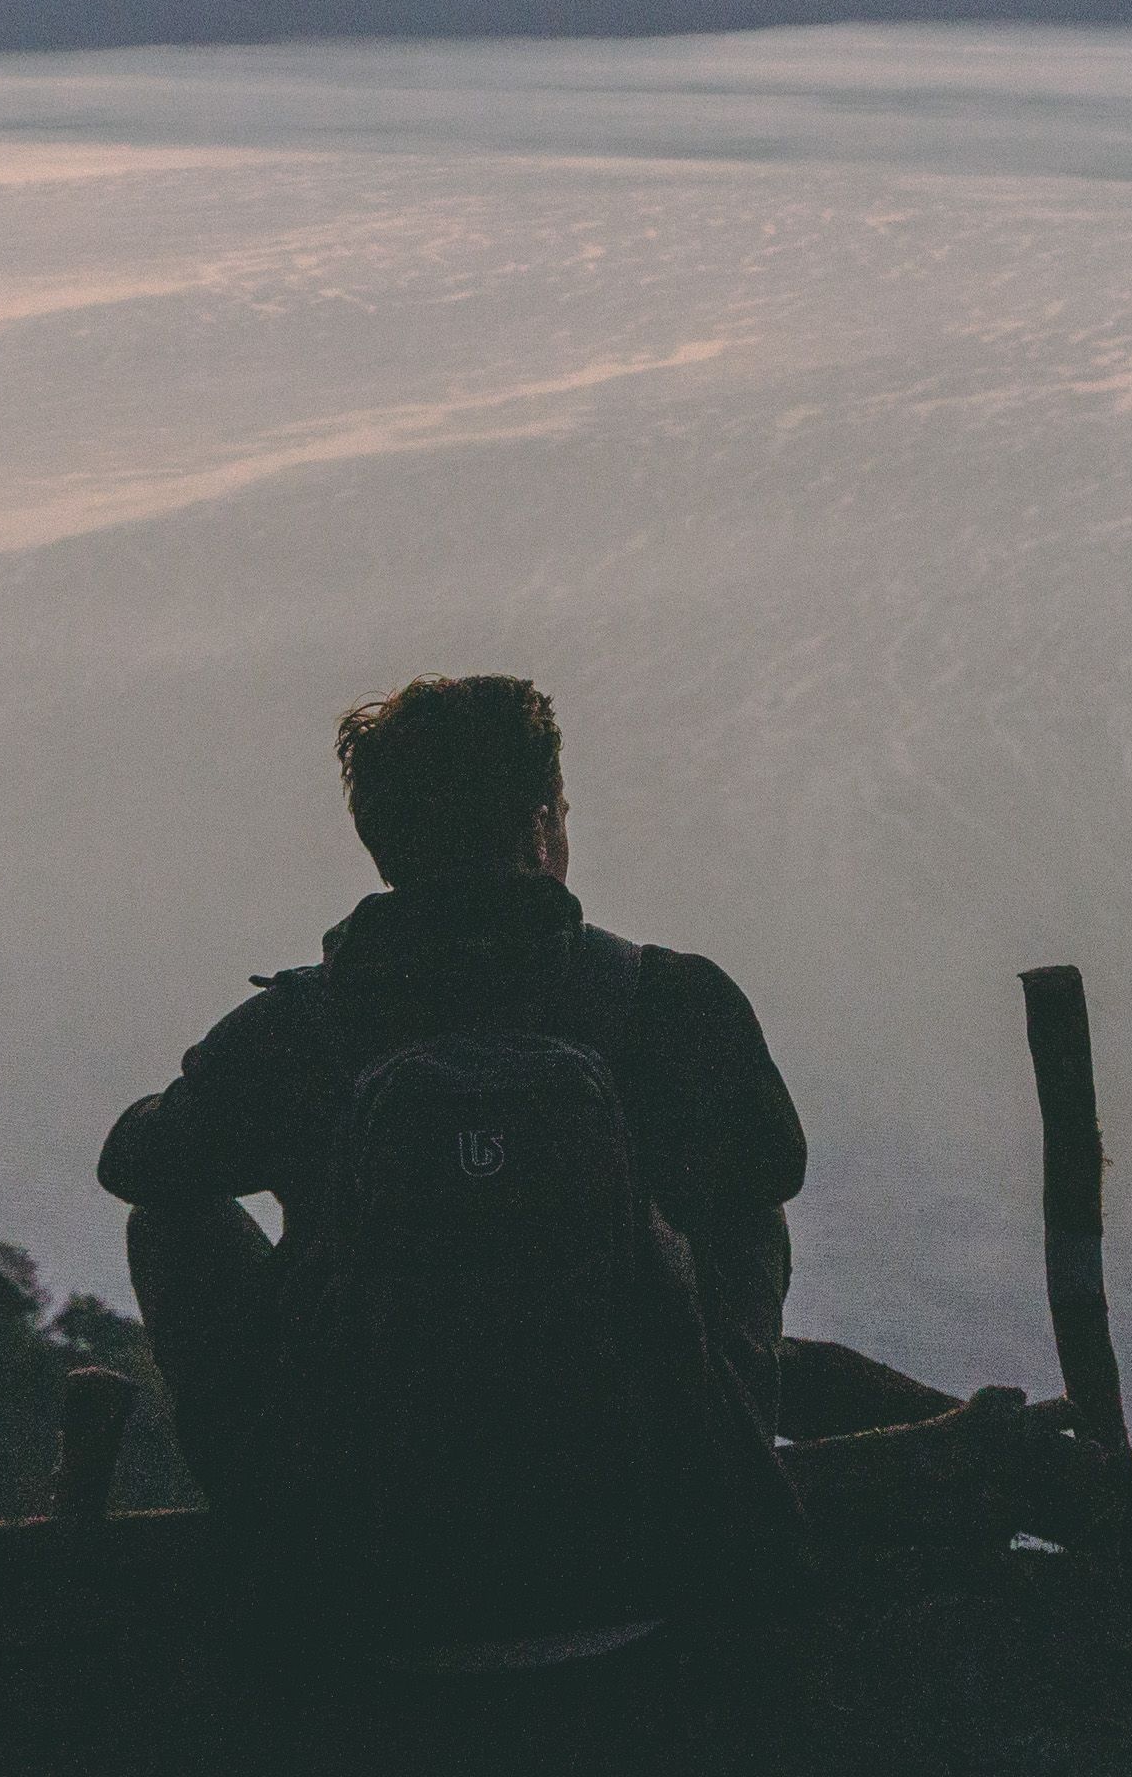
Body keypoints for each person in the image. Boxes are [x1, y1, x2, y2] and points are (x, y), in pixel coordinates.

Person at [99, 673, 805, 1646]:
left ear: (381, 842)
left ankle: (268, 1529)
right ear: (538, 825)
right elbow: (772, 1173)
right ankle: (726, 1468)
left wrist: (212, 1097)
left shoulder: (292, 1035)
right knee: (747, 1208)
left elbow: (134, 1165)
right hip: (638, 1553)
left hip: (371, 1573)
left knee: (169, 1217)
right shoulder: (669, 1003)